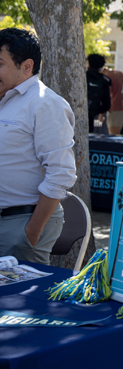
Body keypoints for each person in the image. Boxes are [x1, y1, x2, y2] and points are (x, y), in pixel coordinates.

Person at [0, 28, 76, 264]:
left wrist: (31, 233)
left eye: (0, 63)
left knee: (18, 299)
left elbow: (61, 173)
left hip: (22, 222)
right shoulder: (5, 99)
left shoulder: (46, 103)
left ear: (26, 66)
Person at [86, 53, 111, 133]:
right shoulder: (104, 80)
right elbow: (107, 105)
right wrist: (94, 110)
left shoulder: (81, 77)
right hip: (93, 114)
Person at [104, 66, 123, 135]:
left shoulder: (107, 76)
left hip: (114, 108)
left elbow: (107, 95)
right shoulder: (121, 74)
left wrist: (101, 113)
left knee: (114, 134)